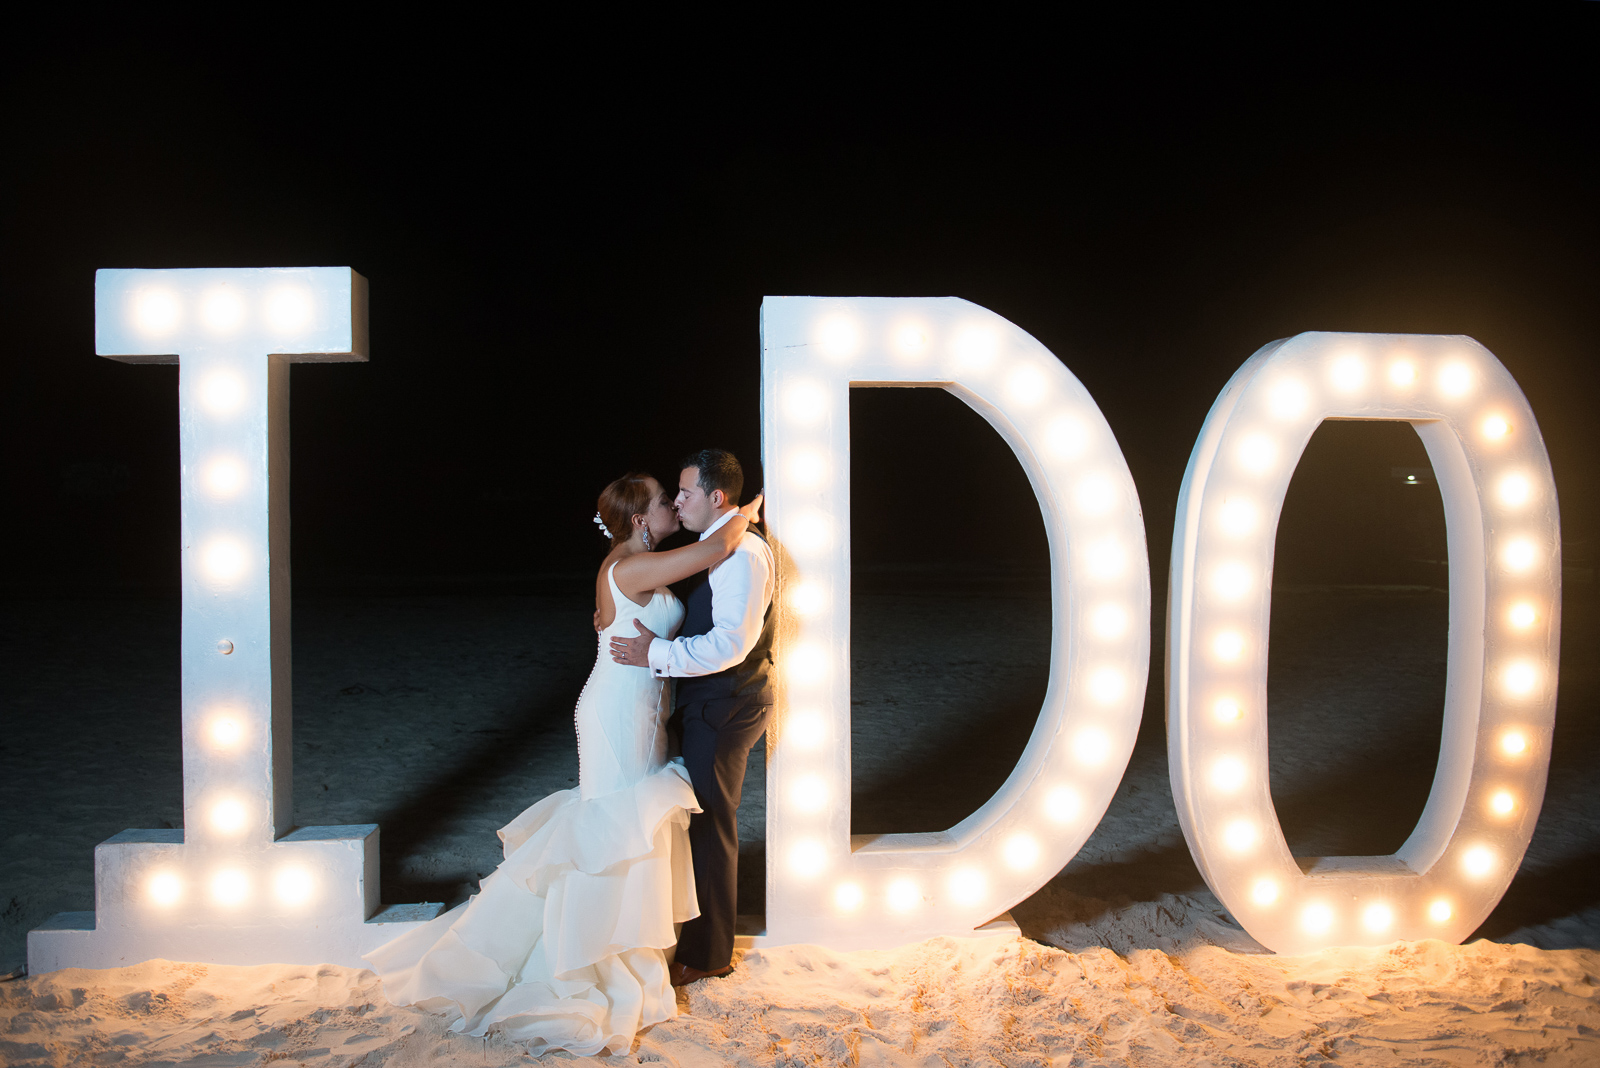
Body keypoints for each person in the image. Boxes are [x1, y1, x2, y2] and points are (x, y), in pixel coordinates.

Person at [363, 472, 763, 1056]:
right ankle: (582, 959)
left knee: (624, 821)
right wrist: (747, 511)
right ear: (637, 520)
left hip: (634, 703)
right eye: (662, 501)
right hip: (620, 711)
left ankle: (621, 944)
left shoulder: (627, 563)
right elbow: (716, 549)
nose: (673, 506)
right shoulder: (629, 567)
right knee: (611, 826)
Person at [609, 449, 775, 987]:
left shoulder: (741, 554)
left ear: (715, 497)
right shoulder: (721, 547)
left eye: (684, 493)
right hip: (706, 702)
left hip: (726, 701)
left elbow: (728, 645)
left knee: (710, 827)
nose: (678, 503)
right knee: (696, 822)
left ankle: (708, 956)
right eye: (671, 497)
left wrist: (655, 653)